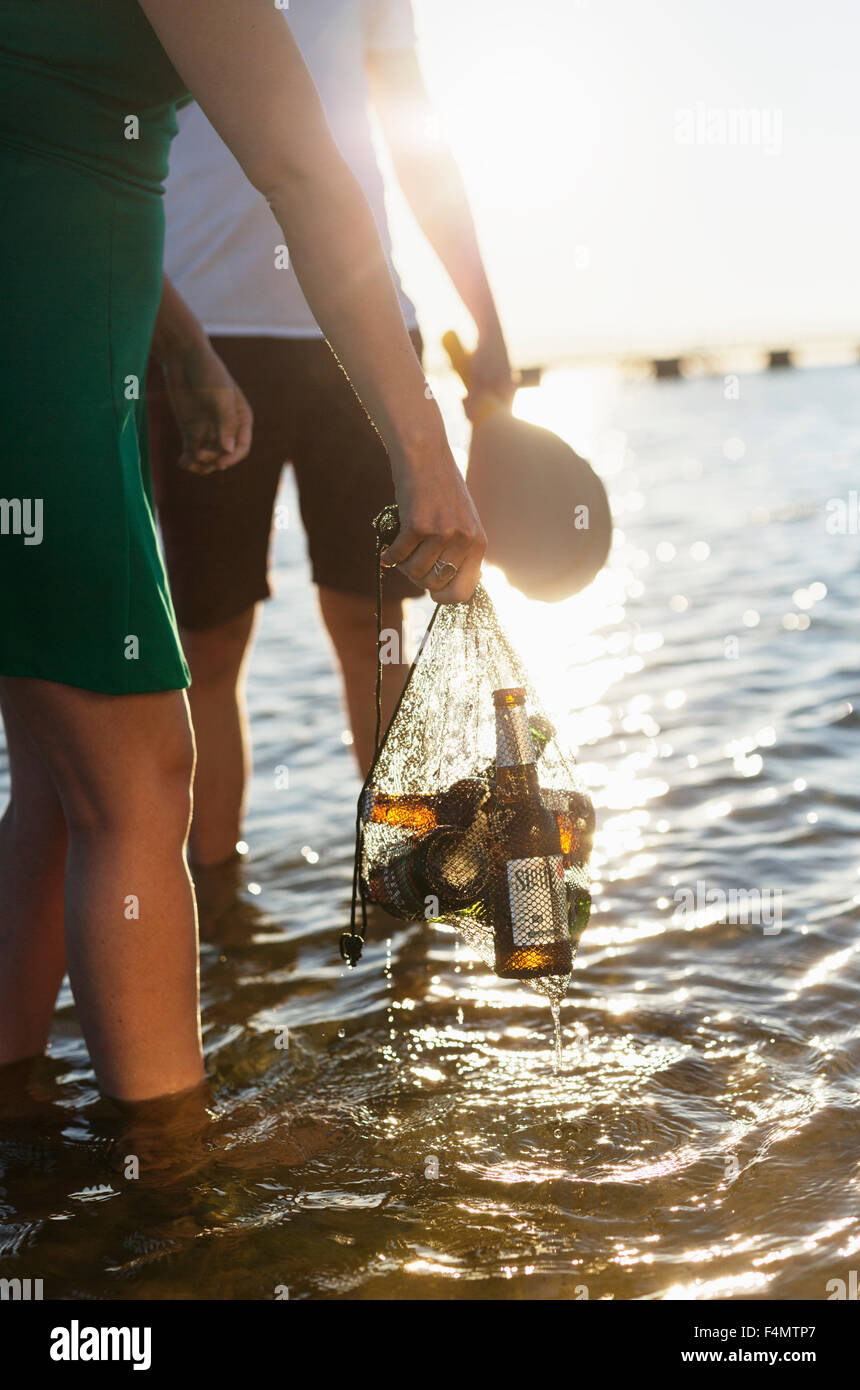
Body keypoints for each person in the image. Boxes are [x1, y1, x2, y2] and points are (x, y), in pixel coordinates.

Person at [0, 0, 485, 1104]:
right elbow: (302, 173)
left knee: (59, 780)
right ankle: (174, 1183)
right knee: (137, 778)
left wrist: (180, 345)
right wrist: (422, 448)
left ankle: (20, 1133)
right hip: (41, 379)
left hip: (64, 352)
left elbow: (44, 140)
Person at [148, 0, 514, 883]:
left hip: (363, 332)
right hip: (205, 335)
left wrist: (487, 317)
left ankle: (404, 882)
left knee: (374, 622)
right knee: (210, 637)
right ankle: (218, 903)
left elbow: (417, 140)